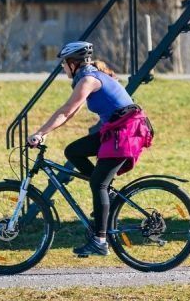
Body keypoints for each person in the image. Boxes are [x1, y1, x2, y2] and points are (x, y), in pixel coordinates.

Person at [27, 42, 152, 258]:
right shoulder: (91, 76)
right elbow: (71, 112)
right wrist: (46, 132)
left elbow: (66, 111)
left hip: (125, 133)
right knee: (73, 151)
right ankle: (106, 195)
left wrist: (39, 132)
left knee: (98, 183)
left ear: (72, 63)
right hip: (114, 132)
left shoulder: (88, 79)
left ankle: (100, 240)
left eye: (63, 64)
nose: (62, 69)